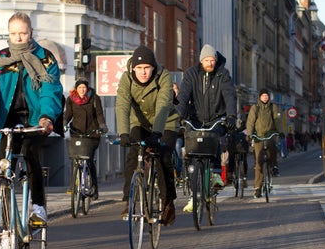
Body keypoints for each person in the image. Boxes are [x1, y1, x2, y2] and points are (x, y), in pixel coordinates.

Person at [0, 12, 63, 225]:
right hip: (9, 118)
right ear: (8, 34)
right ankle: (4, 216)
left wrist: (46, 117)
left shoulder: (46, 58)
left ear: (30, 32)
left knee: (30, 153)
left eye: (23, 33)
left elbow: (50, 91)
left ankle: (38, 206)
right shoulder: (0, 60)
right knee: (6, 163)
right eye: (14, 33)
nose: (18, 37)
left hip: (36, 119)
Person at [115, 44, 179, 226]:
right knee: (133, 155)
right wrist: (123, 133)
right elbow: (122, 105)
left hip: (166, 121)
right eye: (139, 68)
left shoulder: (163, 76)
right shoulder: (126, 78)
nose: (143, 72)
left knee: (163, 156)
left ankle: (168, 201)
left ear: (153, 67)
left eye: (147, 68)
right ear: (133, 68)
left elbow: (164, 104)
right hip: (140, 122)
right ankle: (129, 202)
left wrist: (158, 132)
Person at [176, 44, 237, 211]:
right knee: (192, 146)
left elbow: (230, 95)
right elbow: (183, 96)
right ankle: (192, 187)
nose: (210, 63)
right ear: (201, 60)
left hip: (216, 118)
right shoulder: (191, 74)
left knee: (214, 138)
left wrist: (231, 116)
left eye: (212, 60)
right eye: (206, 60)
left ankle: (216, 173)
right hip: (195, 119)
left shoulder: (222, 74)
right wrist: (178, 115)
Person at [64, 77, 107, 200]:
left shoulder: (94, 98)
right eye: (79, 88)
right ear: (76, 89)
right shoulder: (71, 99)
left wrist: (102, 126)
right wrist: (64, 123)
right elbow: (68, 115)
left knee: (89, 160)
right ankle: (73, 185)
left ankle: (94, 186)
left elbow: (99, 114)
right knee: (75, 159)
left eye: (84, 88)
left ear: (87, 89)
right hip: (76, 133)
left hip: (92, 134)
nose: (82, 90)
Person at [246, 88, 281, 198]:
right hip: (258, 136)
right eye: (263, 96)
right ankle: (257, 188)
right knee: (258, 162)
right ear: (259, 97)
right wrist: (250, 134)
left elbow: (277, 121)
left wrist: (280, 132)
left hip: (270, 134)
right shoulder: (255, 108)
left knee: (272, 149)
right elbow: (250, 121)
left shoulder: (273, 107)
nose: (265, 97)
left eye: (267, 96)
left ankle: (274, 166)